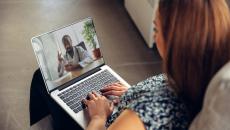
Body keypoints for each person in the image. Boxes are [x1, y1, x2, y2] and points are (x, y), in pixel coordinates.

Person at [29, 0, 230, 130]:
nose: (155, 36)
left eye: (156, 29)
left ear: (175, 41)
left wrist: (98, 117)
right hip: (120, 102)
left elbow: (84, 61)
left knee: (42, 80)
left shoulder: (140, 117)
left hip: (102, 120)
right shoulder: (203, 79)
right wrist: (134, 92)